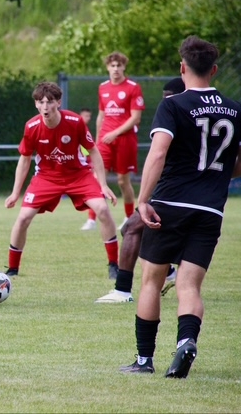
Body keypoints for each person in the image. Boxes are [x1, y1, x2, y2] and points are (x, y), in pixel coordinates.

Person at [119, 36, 241, 378]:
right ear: (214, 70)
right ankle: (186, 341)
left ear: (182, 67)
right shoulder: (235, 109)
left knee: (151, 280)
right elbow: (237, 163)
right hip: (211, 210)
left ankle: (144, 360)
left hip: (170, 204)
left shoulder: (173, 105)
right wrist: (215, 175)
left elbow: (158, 152)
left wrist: (143, 200)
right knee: (189, 284)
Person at [5, 82, 119, 280]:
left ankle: (114, 265)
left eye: (50, 102)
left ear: (58, 102)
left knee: (102, 209)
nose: (45, 107)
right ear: (36, 104)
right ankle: (13, 269)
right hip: (46, 177)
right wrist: (15, 193)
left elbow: (93, 151)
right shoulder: (31, 127)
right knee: (23, 218)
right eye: (41, 102)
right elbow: (24, 160)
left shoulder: (75, 122)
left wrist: (103, 184)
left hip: (78, 175)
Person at [95, 77, 185, 303]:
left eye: (169, 97)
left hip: (173, 192)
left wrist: (144, 199)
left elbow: (158, 156)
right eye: (164, 97)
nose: (165, 101)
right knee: (148, 231)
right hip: (204, 198)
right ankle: (170, 273)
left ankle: (123, 291)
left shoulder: (174, 116)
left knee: (131, 228)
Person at [92, 52, 145, 232]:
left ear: (124, 67)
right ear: (108, 67)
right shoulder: (102, 87)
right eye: (112, 66)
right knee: (97, 178)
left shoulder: (133, 87)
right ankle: (92, 219)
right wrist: (96, 141)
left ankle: (129, 217)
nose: (115, 69)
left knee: (123, 181)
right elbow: (101, 115)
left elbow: (136, 118)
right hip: (105, 140)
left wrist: (115, 133)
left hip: (124, 139)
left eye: (118, 66)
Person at [78, 107, 100, 231]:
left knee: (94, 188)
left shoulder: (86, 130)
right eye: (86, 116)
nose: (88, 118)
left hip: (88, 163)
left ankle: (92, 220)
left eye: (89, 116)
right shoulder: (75, 128)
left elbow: (90, 150)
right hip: (81, 164)